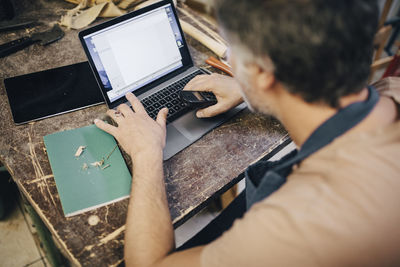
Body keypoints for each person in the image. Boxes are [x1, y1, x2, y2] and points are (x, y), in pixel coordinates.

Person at [94, 0, 400, 266]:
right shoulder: (391, 92)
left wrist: (147, 154)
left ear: (265, 71)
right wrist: (249, 89)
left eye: (232, 50)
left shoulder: (301, 224)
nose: (230, 61)